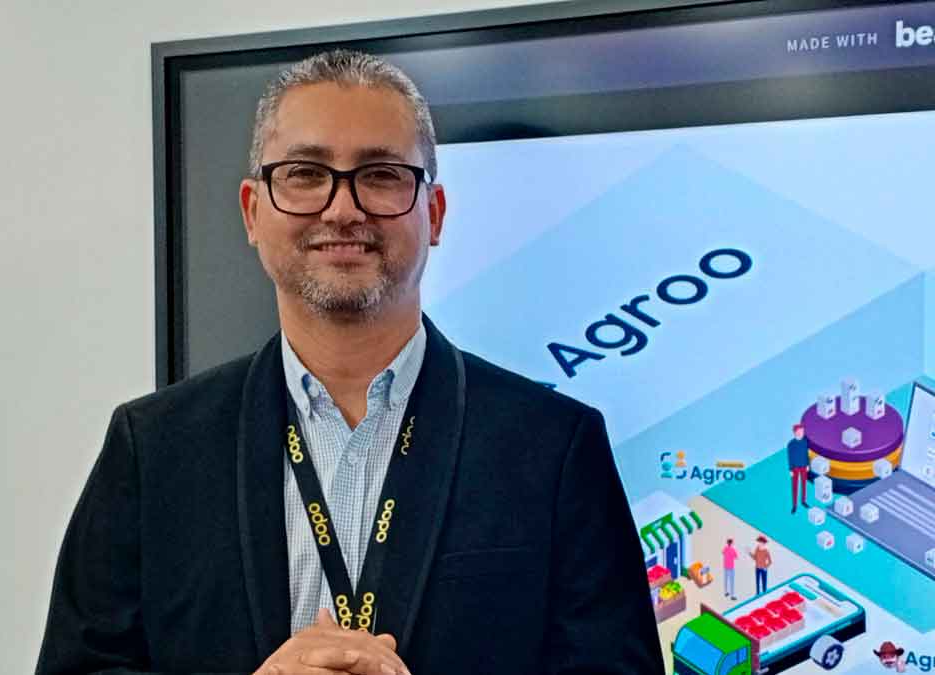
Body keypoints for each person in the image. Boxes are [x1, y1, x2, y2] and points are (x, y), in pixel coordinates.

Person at [36, 49, 662, 675]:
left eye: (381, 174)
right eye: (305, 173)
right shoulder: (154, 448)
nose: (342, 209)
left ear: (434, 214)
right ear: (253, 211)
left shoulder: (554, 448)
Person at [787, 423, 810, 513]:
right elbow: (790, 457)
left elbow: (806, 454)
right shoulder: (791, 444)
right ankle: (794, 505)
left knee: (804, 484)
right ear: (795, 432)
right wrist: (790, 469)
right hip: (795, 468)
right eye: (800, 431)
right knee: (795, 486)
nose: (802, 433)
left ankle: (803, 501)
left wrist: (807, 464)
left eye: (802, 431)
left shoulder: (805, 442)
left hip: (803, 466)